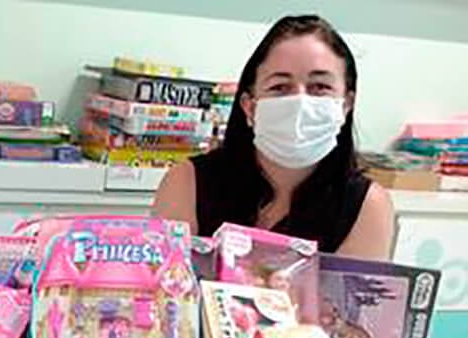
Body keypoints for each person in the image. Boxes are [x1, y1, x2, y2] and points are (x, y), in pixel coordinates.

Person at [153, 15, 394, 259]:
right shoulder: (186, 182)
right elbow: (163, 286)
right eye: (280, 87)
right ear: (249, 106)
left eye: (319, 87)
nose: (300, 102)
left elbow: (352, 296)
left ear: (346, 104)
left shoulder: (367, 206)